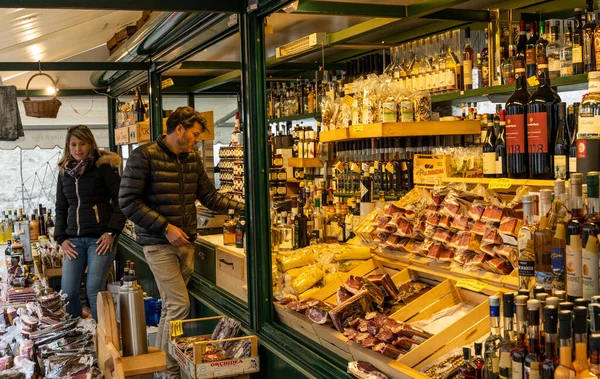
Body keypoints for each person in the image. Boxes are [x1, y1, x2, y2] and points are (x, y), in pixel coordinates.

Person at [119, 106, 243, 378]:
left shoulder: (192, 159)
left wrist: (245, 207)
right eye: (195, 134)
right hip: (158, 242)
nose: (197, 139)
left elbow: (210, 197)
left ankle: (164, 367)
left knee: (170, 309)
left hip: (186, 244)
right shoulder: (144, 156)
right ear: (179, 129)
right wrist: (165, 228)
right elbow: (127, 202)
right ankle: (172, 370)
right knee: (178, 305)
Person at [54, 125, 126, 321]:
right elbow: (61, 207)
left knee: (95, 290)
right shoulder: (64, 173)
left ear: (90, 144)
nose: (78, 149)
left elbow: (122, 201)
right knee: (67, 293)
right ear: (68, 147)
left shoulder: (103, 167)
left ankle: (103, 339)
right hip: (73, 241)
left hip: (100, 239)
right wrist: (61, 239)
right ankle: (77, 336)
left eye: (82, 144)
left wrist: (112, 232)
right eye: (73, 145)